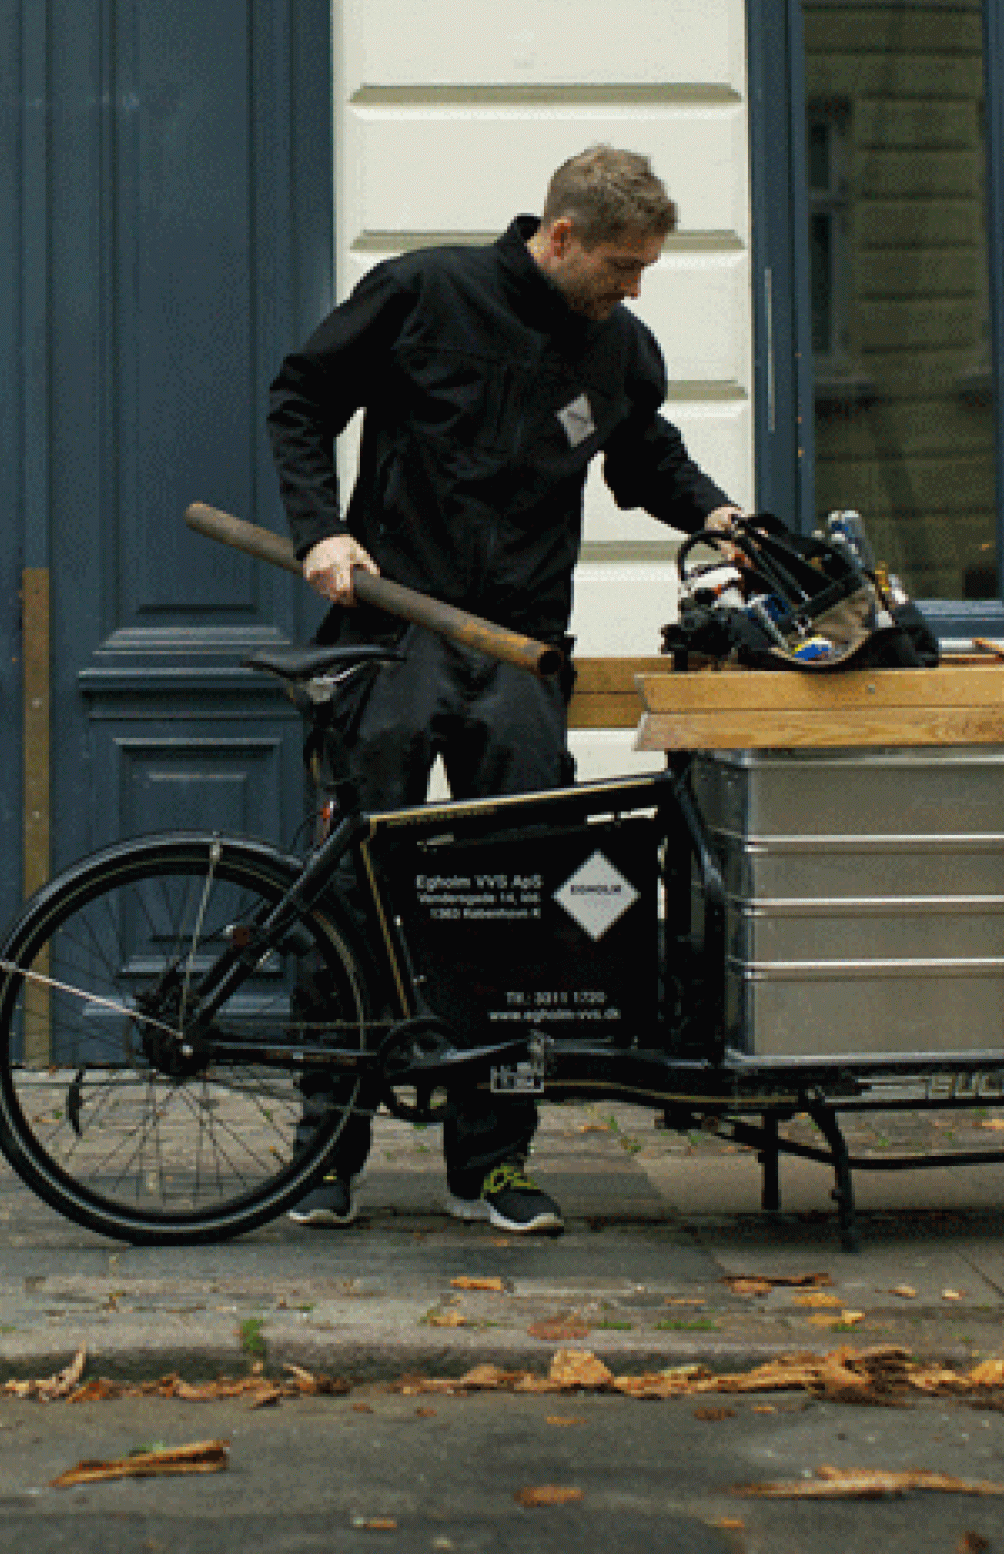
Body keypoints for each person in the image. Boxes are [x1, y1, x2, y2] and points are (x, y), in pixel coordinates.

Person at [267, 143, 743, 1234]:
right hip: (392, 630)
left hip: (521, 651)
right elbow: (300, 397)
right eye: (621, 264)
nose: (633, 288)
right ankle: (322, 1154)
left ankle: (487, 1162)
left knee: (518, 903)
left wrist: (719, 518)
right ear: (560, 235)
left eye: (645, 271)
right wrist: (321, 529)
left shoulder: (616, 348)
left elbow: (645, 461)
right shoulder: (422, 291)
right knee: (349, 897)